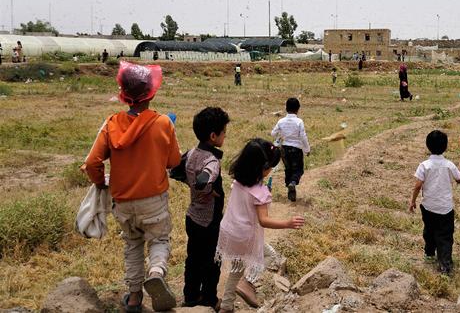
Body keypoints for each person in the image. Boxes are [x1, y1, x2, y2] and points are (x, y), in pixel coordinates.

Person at [84, 61, 181, 312]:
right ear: (152, 92)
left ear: (124, 95)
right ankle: (157, 271)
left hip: (123, 201)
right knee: (159, 239)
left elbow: (92, 162)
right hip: (154, 199)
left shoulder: (111, 124)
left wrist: (100, 183)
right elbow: (173, 161)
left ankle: (135, 297)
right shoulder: (163, 123)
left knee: (133, 244)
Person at [216, 139, 305, 313]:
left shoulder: (238, 182)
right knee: (272, 257)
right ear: (263, 169)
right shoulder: (260, 192)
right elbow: (264, 220)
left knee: (236, 268)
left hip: (228, 231)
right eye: (271, 166)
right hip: (245, 235)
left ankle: (226, 305)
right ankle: (248, 282)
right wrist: (287, 223)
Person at [179, 107, 230, 309]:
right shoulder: (212, 161)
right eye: (224, 132)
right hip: (209, 221)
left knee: (193, 259)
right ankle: (209, 298)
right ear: (213, 136)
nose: (225, 136)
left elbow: (175, 169)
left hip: (192, 217)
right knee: (212, 261)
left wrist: (190, 184)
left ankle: (190, 296)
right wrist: (207, 190)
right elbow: (203, 180)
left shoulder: (191, 153)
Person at [409, 130, 460, 275]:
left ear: (428, 146)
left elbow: (417, 185)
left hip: (428, 207)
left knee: (429, 231)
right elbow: (459, 179)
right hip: (445, 209)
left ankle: (429, 254)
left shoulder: (424, 165)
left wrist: (412, 201)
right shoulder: (449, 165)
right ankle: (445, 264)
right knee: (445, 236)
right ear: (445, 147)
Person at [271, 98, 310, 202]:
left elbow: (273, 133)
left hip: (284, 149)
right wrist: (307, 150)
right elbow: (303, 136)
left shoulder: (281, 121)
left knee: (288, 170)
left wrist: (281, 134)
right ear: (298, 109)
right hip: (296, 149)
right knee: (298, 170)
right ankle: (292, 183)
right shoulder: (299, 121)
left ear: (286, 108)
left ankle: (291, 191)